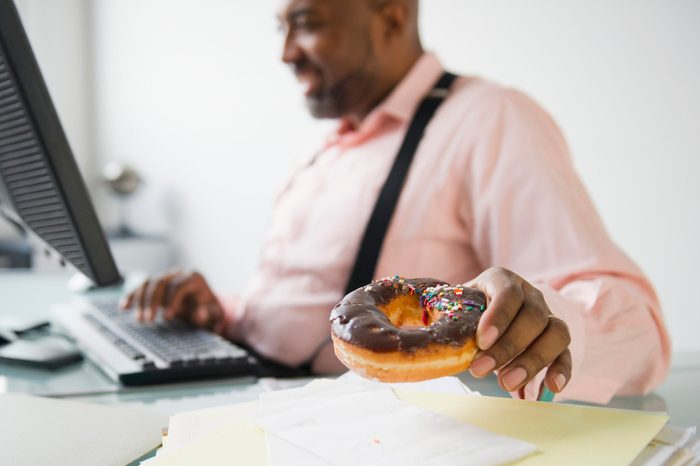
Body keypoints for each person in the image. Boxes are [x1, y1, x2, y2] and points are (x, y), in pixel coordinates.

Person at [122, 0, 670, 403]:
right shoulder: (325, 151)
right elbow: (306, 307)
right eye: (281, 27)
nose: (286, 52)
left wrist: (540, 317)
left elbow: (638, 332)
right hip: (234, 389)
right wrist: (223, 313)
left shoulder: (488, 119)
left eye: (307, 22)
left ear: (390, 15)